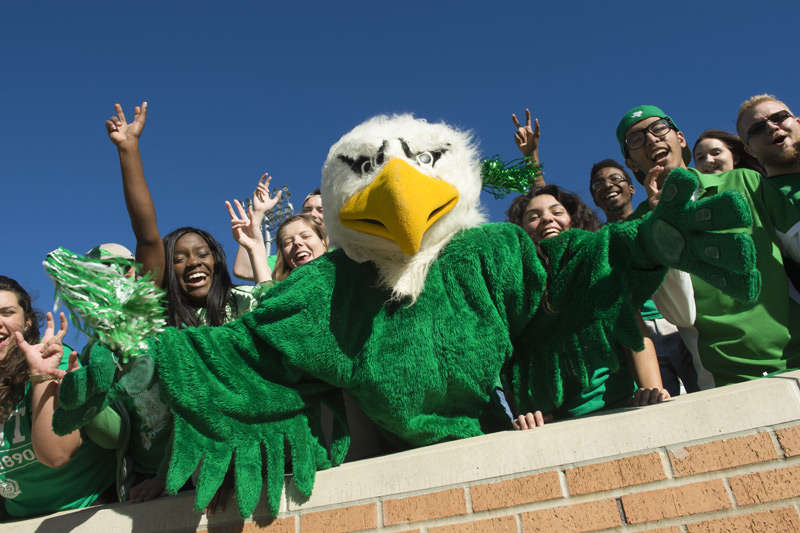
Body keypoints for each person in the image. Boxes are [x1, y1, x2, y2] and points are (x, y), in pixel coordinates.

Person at [617, 104, 800, 388]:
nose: (651, 139)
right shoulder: (636, 229)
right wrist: (660, 224)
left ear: (680, 139)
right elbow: (680, 314)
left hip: (795, 358)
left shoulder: (744, 181)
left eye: (659, 128)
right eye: (636, 139)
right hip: (725, 380)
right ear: (630, 164)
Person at [507, 185, 668, 430]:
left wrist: (654, 391)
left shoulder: (600, 265)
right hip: (558, 425)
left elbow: (633, 335)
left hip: (622, 410)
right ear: (521, 231)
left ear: (573, 219)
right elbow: (514, 362)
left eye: (556, 211)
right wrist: (526, 414)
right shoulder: (518, 291)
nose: (547, 218)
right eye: (534, 216)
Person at [0, 276, 116, 519]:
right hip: (17, 518)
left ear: (28, 321)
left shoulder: (53, 360)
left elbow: (58, 455)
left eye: (6, 312)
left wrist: (40, 376)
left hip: (87, 511)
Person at [588, 160, 698, 397]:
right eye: (598, 183)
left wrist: (691, 332)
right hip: (641, 334)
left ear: (632, 187)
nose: (607, 185)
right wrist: (532, 158)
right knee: (659, 404)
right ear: (594, 199)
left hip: (678, 319)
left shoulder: (652, 216)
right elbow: (559, 210)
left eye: (616, 178)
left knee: (704, 393)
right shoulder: (600, 240)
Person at [272, 214, 328, 282]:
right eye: (288, 242)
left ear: (323, 243)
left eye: (305, 236)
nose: (296, 242)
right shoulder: (280, 289)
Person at [693, 129, 765, 175]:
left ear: (735, 158)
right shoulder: (692, 197)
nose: (708, 160)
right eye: (701, 157)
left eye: (716, 153)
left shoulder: (758, 184)